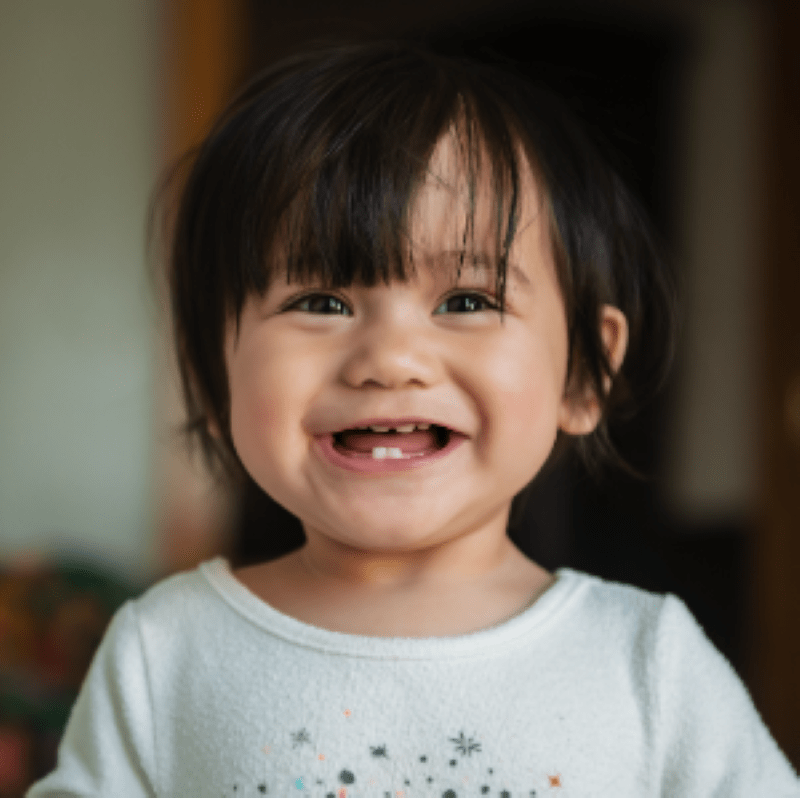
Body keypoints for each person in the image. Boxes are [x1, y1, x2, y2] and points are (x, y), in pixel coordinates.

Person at [28, 41, 799, 797]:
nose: (390, 359)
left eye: (467, 301)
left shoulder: (646, 660)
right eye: (320, 303)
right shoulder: (166, 649)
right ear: (212, 371)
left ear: (582, 373)